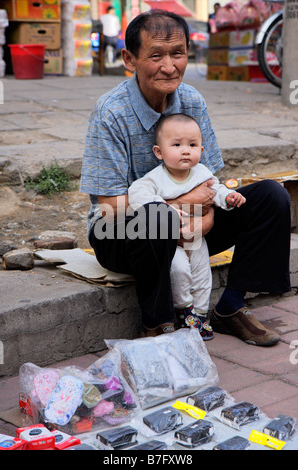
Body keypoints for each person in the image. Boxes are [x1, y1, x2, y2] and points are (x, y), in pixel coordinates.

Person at [80, 10, 291, 345]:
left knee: (271, 197)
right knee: (156, 217)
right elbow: (108, 208)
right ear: (129, 58)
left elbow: (209, 181)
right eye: (155, 55)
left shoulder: (192, 100)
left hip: (189, 227)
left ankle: (231, 305)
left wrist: (206, 220)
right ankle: (157, 323)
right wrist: (181, 205)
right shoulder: (111, 112)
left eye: (177, 53)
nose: (169, 66)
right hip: (121, 232)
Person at [128, 113, 246, 341]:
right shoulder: (154, 179)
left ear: (201, 151)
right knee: (179, 271)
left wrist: (229, 197)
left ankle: (201, 314)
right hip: (172, 242)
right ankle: (185, 310)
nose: (185, 150)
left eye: (192, 145)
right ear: (159, 152)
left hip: (196, 238)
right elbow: (136, 194)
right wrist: (163, 206)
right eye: (176, 144)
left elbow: (216, 190)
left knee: (202, 273)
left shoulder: (201, 172)